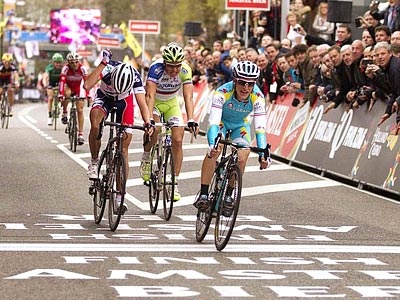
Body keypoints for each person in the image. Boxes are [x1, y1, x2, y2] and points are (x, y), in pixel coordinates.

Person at [193, 61, 272, 213]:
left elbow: (260, 128)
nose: (246, 88)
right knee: (214, 151)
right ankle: (203, 194)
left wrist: (263, 153)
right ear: (235, 80)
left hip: (240, 126)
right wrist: (212, 144)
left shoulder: (258, 96)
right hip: (221, 123)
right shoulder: (222, 92)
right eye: (242, 82)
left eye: (250, 84)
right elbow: (214, 122)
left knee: (243, 155)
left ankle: (229, 194)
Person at [84, 49, 154, 214]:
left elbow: (142, 104)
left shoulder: (135, 77)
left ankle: (120, 195)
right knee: (95, 124)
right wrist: (103, 63)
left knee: (123, 148)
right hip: (105, 98)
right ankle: (94, 162)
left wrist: (148, 121)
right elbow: (87, 85)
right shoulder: (107, 69)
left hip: (124, 102)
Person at [139, 42, 198, 201]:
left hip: (172, 104)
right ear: (164, 63)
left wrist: (191, 118)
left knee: (178, 140)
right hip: (156, 103)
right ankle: (146, 157)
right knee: (155, 130)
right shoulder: (156, 69)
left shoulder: (185, 70)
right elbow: (149, 96)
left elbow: (188, 97)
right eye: (171, 66)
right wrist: (149, 119)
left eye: (177, 66)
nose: (174, 70)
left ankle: (174, 182)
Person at [58, 52, 90, 145]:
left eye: (76, 62)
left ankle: (80, 134)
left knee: (80, 110)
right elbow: (62, 82)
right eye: (72, 62)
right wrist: (61, 94)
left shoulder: (82, 68)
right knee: (66, 93)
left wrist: (88, 94)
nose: (74, 64)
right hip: (68, 87)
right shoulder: (65, 68)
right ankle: (64, 112)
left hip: (77, 89)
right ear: (68, 62)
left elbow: (86, 82)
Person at [42, 53, 63, 126]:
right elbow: (45, 76)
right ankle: (50, 116)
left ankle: (60, 109)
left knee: (63, 97)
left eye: (59, 62)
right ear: (53, 62)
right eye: (56, 62)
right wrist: (45, 84)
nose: (58, 64)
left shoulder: (63, 68)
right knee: (50, 98)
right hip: (51, 83)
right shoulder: (50, 67)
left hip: (60, 83)